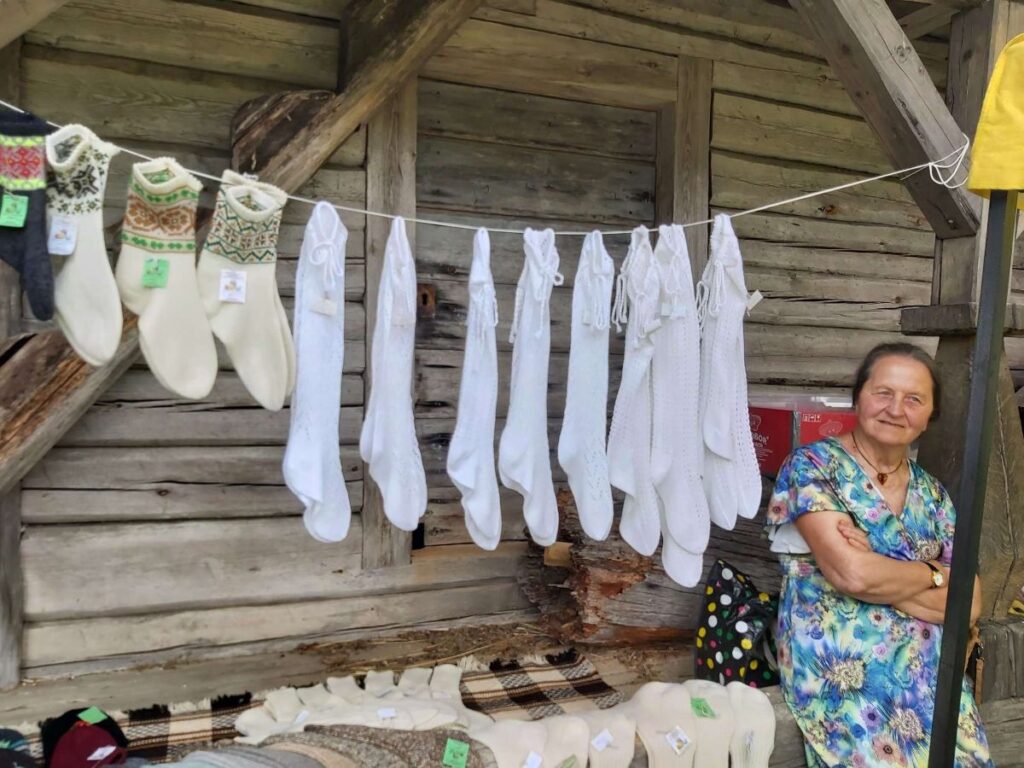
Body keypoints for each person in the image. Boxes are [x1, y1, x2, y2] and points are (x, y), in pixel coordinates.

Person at [766, 342, 992, 767]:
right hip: (842, 671)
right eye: (883, 393)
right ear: (858, 398)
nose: (895, 409)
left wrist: (881, 572)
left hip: (930, 676)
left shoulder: (933, 495)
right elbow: (853, 576)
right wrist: (933, 573)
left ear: (930, 415)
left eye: (914, 399)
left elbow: (969, 602)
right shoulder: (812, 467)